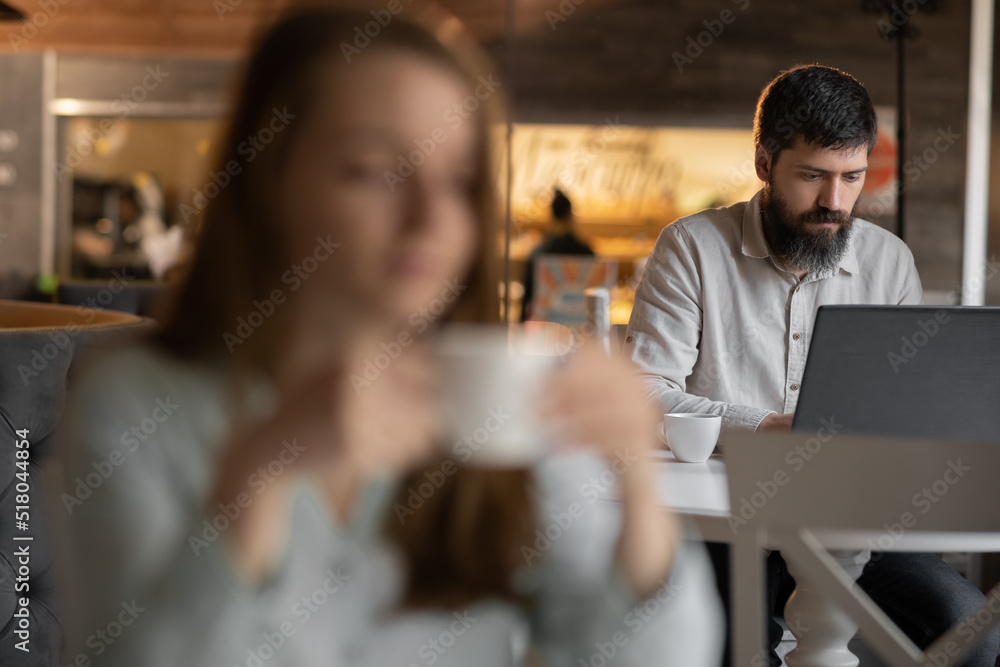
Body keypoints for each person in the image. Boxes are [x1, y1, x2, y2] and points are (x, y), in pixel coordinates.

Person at [52, 7, 722, 667]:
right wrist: (257, 472)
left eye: (460, 181)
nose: (431, 216)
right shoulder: (135, 403)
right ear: (264, 177)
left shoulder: (492, 390)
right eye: (375, 168)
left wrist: (635, 477)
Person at [625, 64, 999, 666]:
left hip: (854, 523)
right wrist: (762, 428)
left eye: (852, 178)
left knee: (972, 637)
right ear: (764, 163)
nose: (834, 202)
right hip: (727, 522)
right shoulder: (692, 248)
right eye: (813, 176)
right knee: (729, 649)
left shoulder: (890, 263)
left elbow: (907, 414)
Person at [520, 188, 595, 322]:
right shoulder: (587, 252)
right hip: (580, 328)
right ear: (570, 215)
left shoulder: (538, 253)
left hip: (545, 330)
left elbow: (527, 299)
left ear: (551, 215)